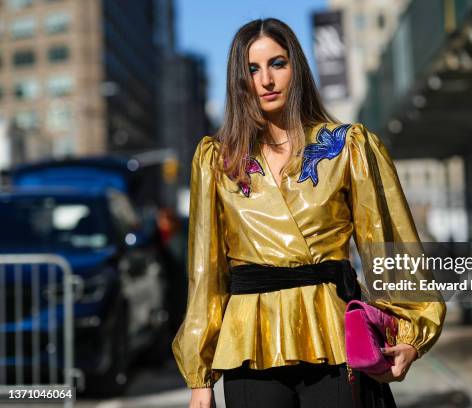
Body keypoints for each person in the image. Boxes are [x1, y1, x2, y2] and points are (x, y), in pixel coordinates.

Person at [171, 18, 446, 408]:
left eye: (277, 64)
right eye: (253, 69)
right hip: (249, 341)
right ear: (239, 80)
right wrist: (200, 378)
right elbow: (206, 273)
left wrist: (409, 335)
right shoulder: (217, 160)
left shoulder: (348, 147)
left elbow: (389, 245)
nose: (266, 79)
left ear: (296, 68)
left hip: (333, 333)